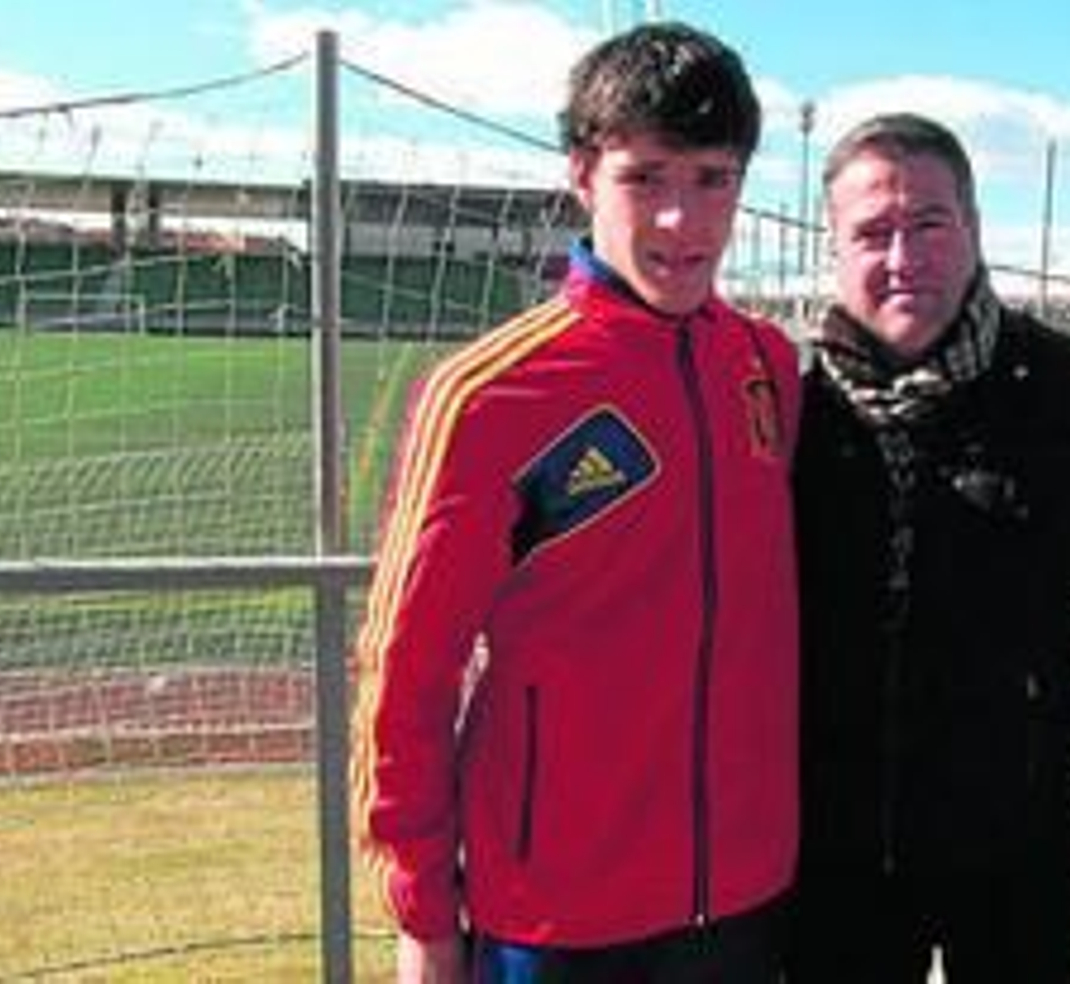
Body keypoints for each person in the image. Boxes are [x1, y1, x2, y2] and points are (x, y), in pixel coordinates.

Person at [350, 22, 800, 984]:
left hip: (745, 902)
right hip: (554, 919)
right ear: (582, 174)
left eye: (712, 179)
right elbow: (405, 667)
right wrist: (424, 914)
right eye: (647, 178)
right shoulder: (489, 394)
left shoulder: (765, 366)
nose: (682, 221)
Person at [785, 113, 1070, 982]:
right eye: (873, 233)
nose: (904, 256)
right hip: (832, 855)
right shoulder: (788, 408)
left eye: (929, 224)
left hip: (1027, 854)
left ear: (972, 230)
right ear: (834, 249)